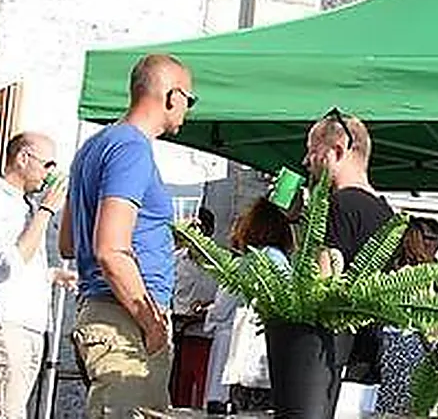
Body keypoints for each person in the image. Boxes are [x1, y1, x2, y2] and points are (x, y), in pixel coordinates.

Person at [61, 53, 195, 418]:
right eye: (189, 99)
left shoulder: (92, 147)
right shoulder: (133, 148)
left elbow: (70, 244)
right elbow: (109, 250)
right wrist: (151, 324)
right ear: (171, 96)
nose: (188, 109)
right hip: (126, 319)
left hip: (102, 312)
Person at [0, 132, 72, 419]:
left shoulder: (23, 203)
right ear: (23, 158)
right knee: (6, 413)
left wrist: (52, 275)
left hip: (31, 325)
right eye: (47, 164)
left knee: (12, 412)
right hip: (7, 322)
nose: (50, 174)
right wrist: (46, 210)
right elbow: (11, 262)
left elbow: (24, 266)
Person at [304, 109, 393, 389]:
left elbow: (321, 288)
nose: (306, 161)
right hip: (374, 359)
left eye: (312, 151)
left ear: (337, 151)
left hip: (333, 363)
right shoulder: (387, 212)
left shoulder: (337, 207)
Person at [209, 199, 295, 414]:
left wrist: (208, 313)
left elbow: (222, 308)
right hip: (273, 350)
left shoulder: (246, 262)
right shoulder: (282, 260)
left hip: (240, 348)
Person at [374, 217, 438, 417]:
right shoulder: (418, 275)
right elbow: (427, 321)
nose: (432, 244)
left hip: (390, 347)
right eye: (427, 238)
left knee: (390, 409)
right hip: (411, 346)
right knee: (412, 408)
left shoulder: (391, 272)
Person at [171, 207, 219, 408]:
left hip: (206, 336)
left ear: (210, 232)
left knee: (202, 393)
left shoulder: (219, 264)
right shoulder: (175, 260)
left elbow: (227, 299)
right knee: (176, 393)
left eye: (200, 229)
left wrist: (207, 308)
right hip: (177, 335)